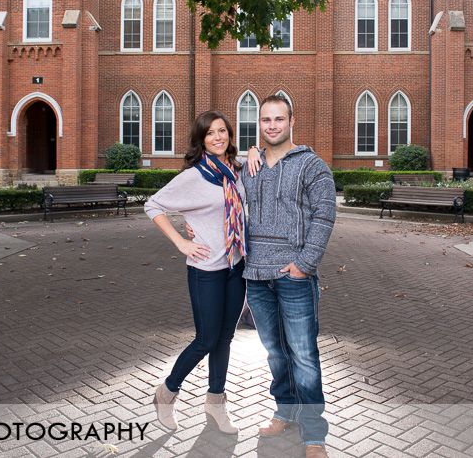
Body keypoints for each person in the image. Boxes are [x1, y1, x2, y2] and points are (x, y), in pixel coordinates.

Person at [242, 95, 336, 458]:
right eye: (265, 120)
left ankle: (314, 435)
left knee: (303, 355)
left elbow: (324, 217)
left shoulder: (313, 166)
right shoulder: (250, 166)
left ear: (291, 121)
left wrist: (305, 264)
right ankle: (285, 411)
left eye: (278, 119)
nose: (272, 126)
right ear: (260, 124)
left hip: (294, 275)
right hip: (256, 274)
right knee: (275, 353)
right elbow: (227, 199)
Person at [144, 110, 247, 434]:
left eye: (222, 131)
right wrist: (180, 242)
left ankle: (216, 402)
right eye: (210, 133)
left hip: (235, 265)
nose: (218, 137)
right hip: (206, 269)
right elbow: (153, 205)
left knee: (225, 338)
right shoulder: (194, 176)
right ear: (201, 140)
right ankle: (167, 392)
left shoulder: (236, 170)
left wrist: (256, 150)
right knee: (206, 339)